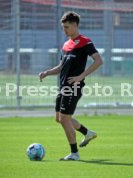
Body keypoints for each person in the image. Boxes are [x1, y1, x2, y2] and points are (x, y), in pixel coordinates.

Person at [38, 11, 103, 161]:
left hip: (73, 87)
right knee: (59, 118)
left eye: (66, 27)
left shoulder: (85, 41)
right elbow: (61, 66)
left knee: (65, 119)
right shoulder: (66, 44)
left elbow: (99, 61)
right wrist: (47, 72)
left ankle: (74, 153)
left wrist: (81, 77)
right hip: (63, 87)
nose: (64, 30)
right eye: (63, 27)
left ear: (74, 25)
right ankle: (87, 133)